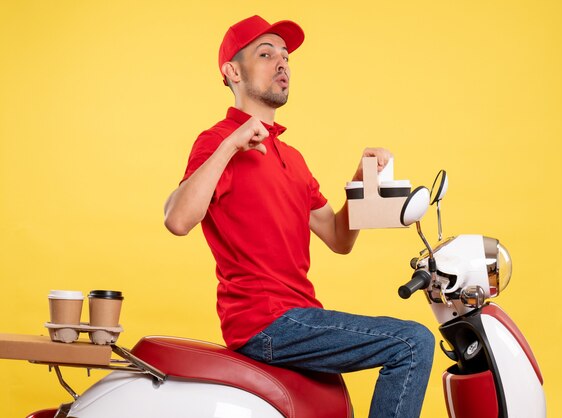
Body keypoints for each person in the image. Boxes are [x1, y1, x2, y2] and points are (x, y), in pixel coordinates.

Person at [164, 15, 434, 418]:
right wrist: (231, 146)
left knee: (408, 344)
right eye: (266, 53)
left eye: (286, 57)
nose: (282, 64)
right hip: (264, 324)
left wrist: (361, 182)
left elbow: (340, 239)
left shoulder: (293, 159)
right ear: (232, 72)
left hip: (301, 315)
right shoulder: (217, 141)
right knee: (411, 343)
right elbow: (178, 219)